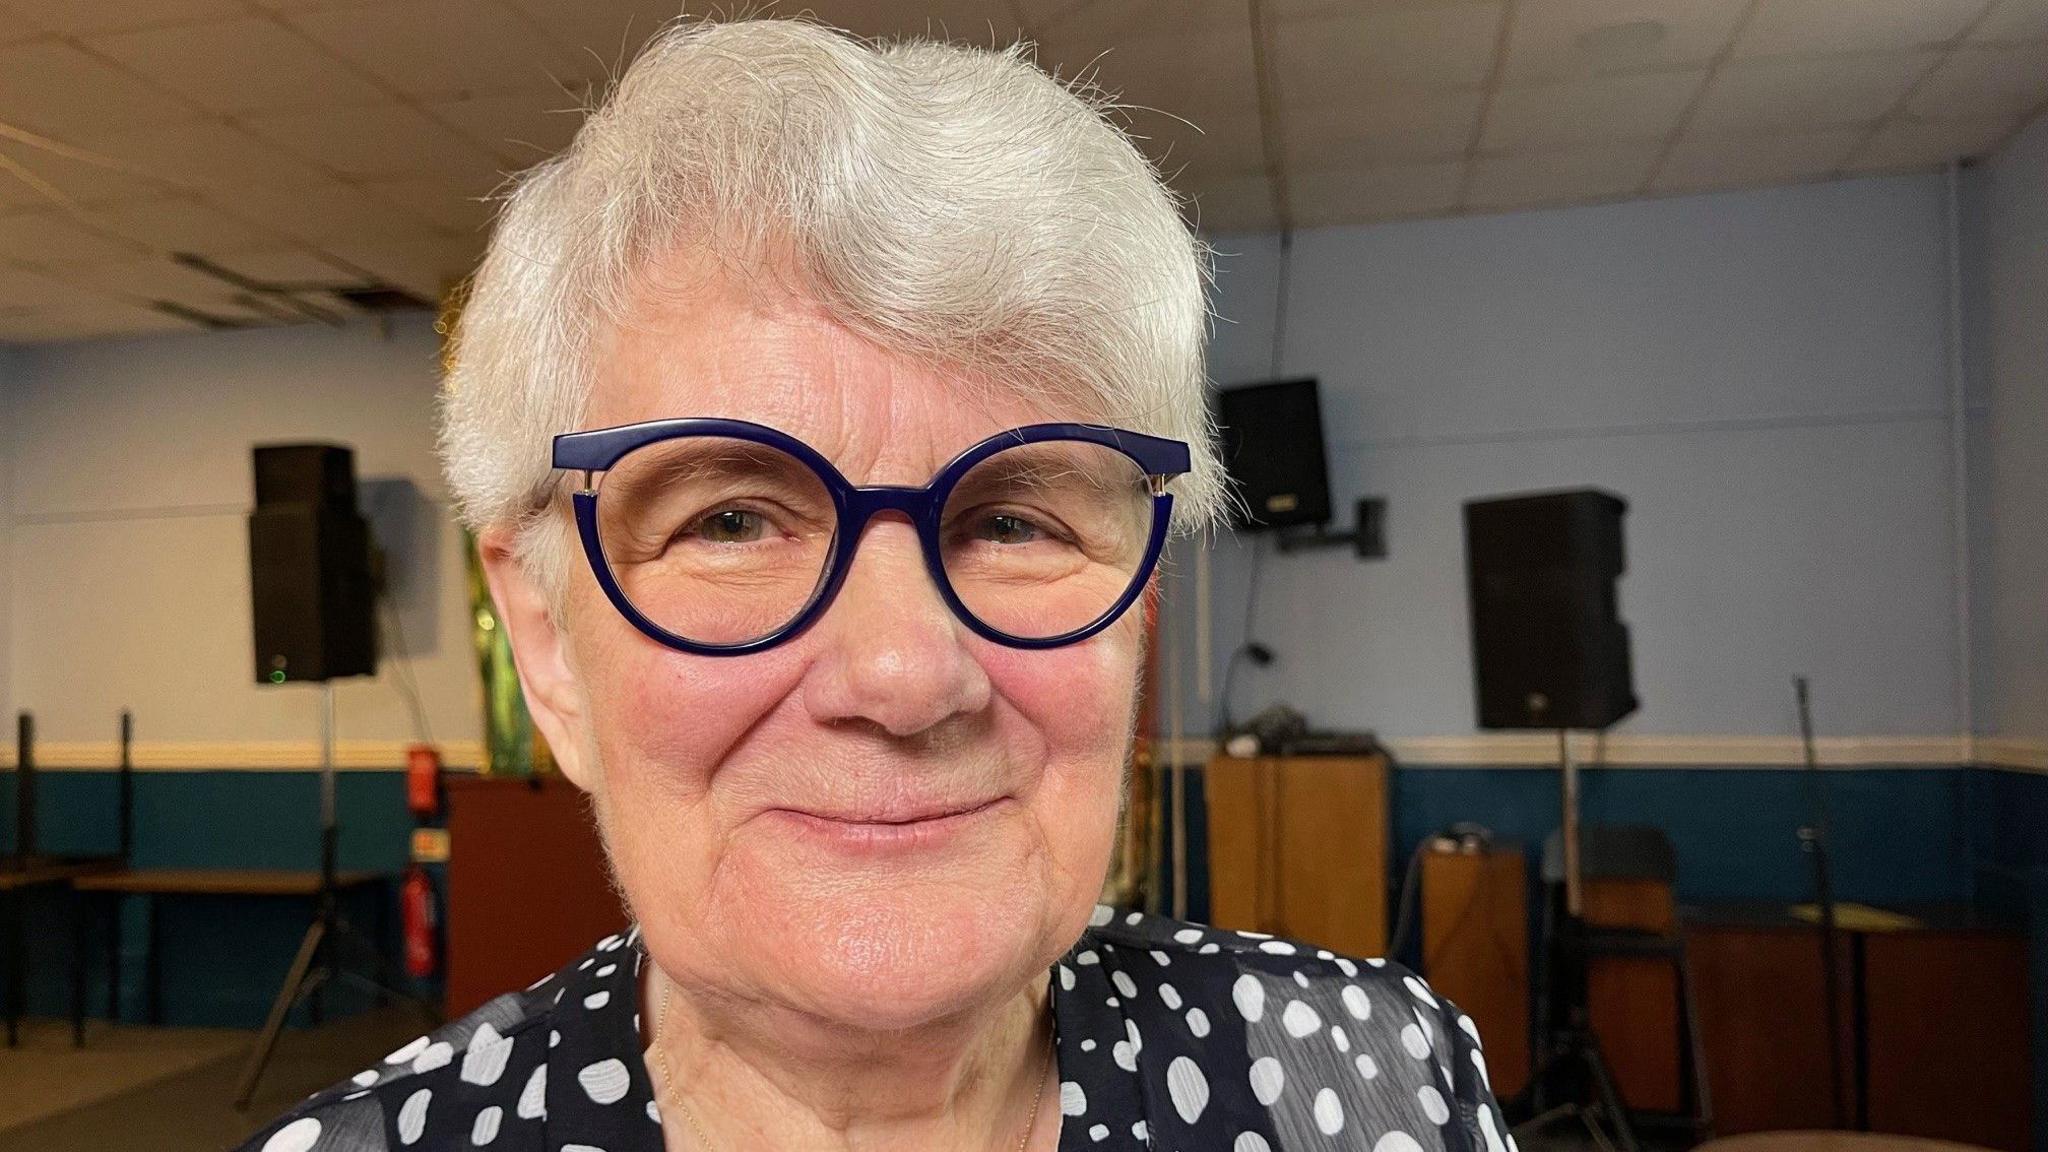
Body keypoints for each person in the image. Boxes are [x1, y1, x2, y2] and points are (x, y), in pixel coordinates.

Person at [240, 17, 1512, 1152]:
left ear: (1137, 610)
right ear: (548, 641)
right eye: (732, 520)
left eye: (1013, 520)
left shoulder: (1377, 1084)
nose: (905, 675)